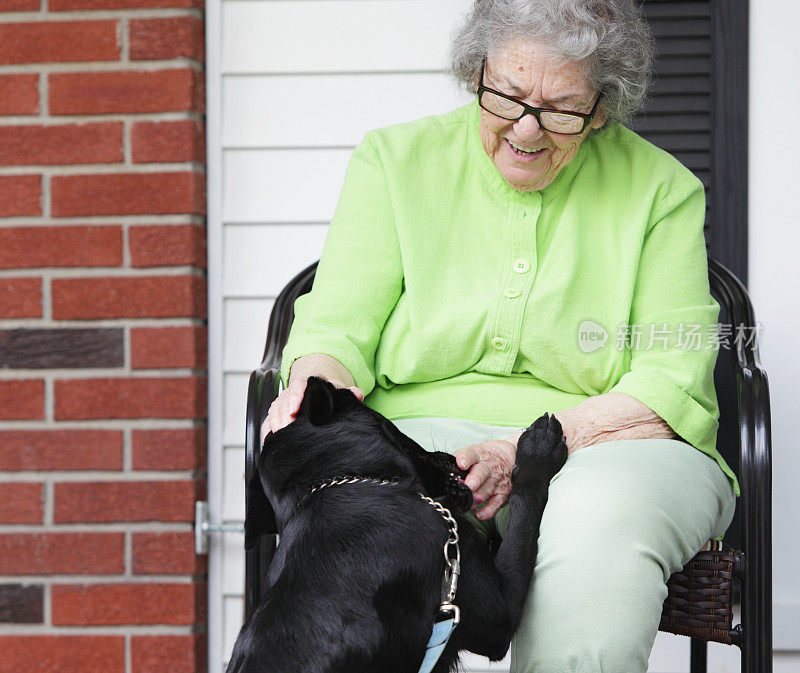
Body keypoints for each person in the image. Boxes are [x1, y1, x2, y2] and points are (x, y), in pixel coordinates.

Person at [261, 0, 739, 670]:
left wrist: (520, 454)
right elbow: (337, 328)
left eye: (563, 106)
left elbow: (670, 384)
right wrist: (312, 386)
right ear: (476, 70)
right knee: (371, 509)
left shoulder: (662, 191)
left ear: (603, 106)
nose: (526, 128)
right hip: (420, 441)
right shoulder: (396, 162)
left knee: (600, 516)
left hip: (613, 444)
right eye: (507, 94)